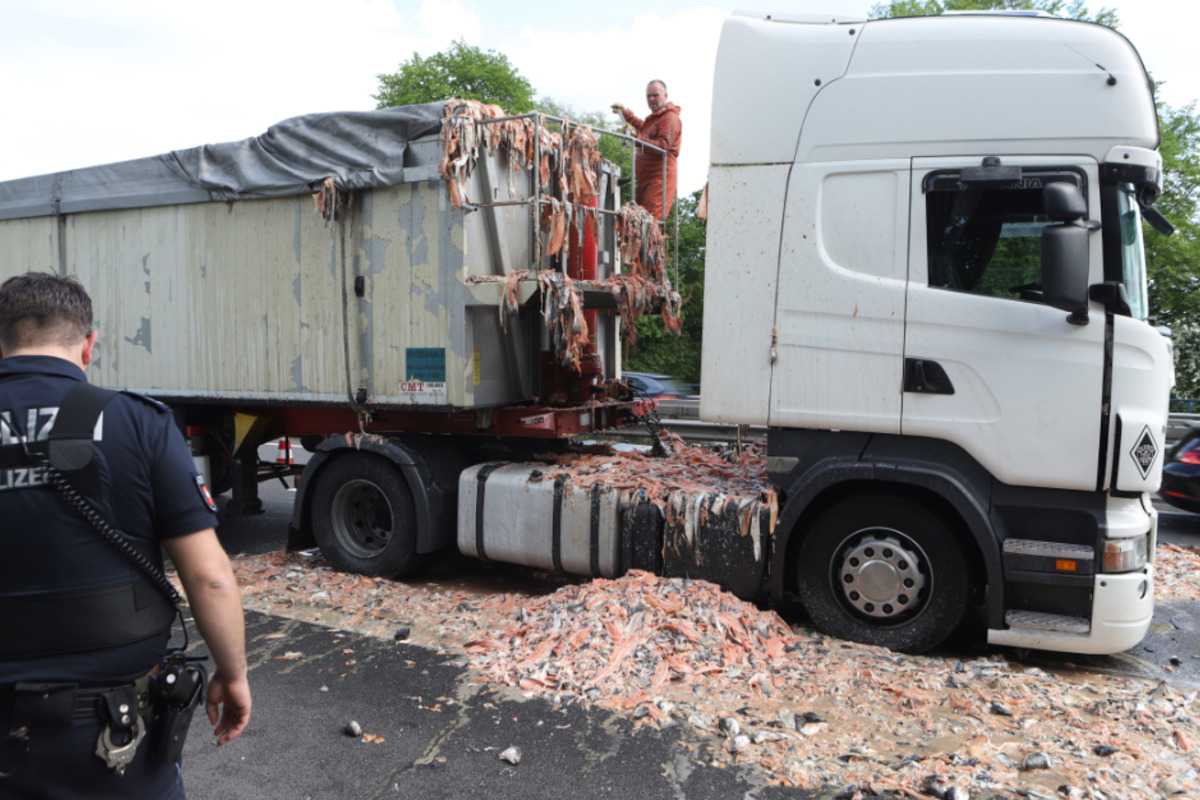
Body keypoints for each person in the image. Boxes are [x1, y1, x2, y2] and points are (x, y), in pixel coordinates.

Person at [0, 272, 251, 799]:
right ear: (89, 344)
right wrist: (233, 673)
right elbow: (209, 577)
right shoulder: (139, 422)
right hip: (112, 739)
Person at [613, 80, 682, 221]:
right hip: (646, 178)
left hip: (659, 178)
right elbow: (644, 129)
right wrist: (626, 114)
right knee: (641, 220)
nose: (651, 99)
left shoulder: (670, 118)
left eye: (655, 95)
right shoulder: (657, 118)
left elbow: (663, 147)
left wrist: (636, 137)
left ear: (666, 95)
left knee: (650, 221)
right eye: (648, 96)